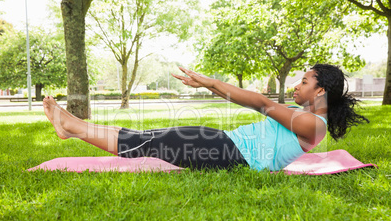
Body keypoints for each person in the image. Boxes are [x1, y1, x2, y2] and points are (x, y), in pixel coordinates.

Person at [43, 64, 368, 171]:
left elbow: (258, 101)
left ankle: (70, 126)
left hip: (232, 154)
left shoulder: (314, 125)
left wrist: (209, 82)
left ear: (321, 91)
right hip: (227, 146)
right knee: (146, 137)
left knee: (149, 142)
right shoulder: (305, 117)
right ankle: (72, 125)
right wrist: (209, 86)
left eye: (305, 82)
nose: (297, 85)